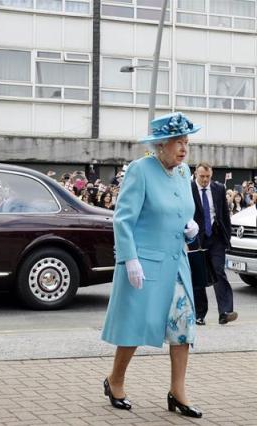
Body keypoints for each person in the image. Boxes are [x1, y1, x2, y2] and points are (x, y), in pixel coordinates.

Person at [101, 112, 203, 418]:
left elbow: (183, 209)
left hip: (176, 262)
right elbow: (123, 218)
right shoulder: (141, 169)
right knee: (135, 325)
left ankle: (178, 392)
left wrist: (190, 224)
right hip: (144, 264)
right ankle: (115, 380)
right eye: (177, 142)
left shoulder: (184, 172)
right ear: (161, 145)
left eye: (186, 141)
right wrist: (129, 258)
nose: (183, 148)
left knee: (183, 326)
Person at [189, 163, 236, 326]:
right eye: (202, 176)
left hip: (216, 237)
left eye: (208, 176)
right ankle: (199, 314)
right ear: (196, 174)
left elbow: (224, 214)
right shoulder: (188, 189)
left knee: (219, 272)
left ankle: (225, 312)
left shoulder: (219, 188)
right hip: (196, 238)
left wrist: (227, 237)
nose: (205, 180)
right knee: (199, 275)